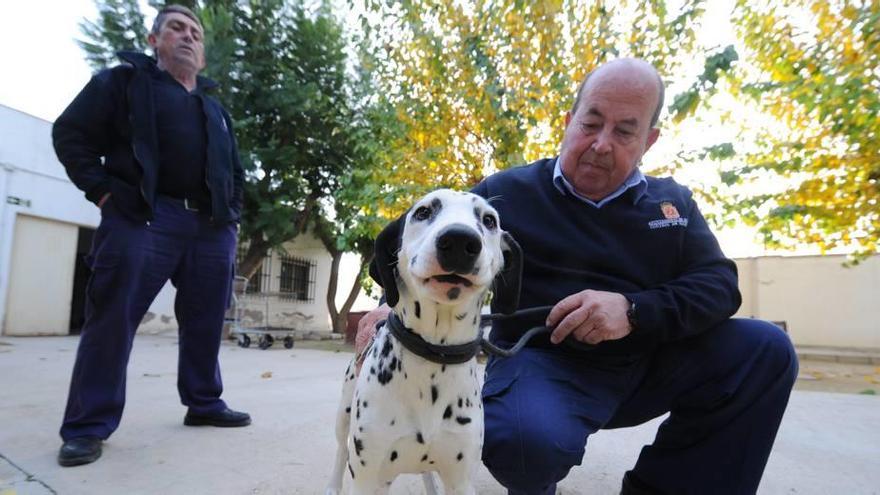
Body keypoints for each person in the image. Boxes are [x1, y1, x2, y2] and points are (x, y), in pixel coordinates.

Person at [356, 58, 798, 494]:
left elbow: (719, 284)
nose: (602, 144)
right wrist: (385, 306)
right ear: (568, 121)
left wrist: (634, 310)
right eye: (590, 123)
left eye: (625, 131)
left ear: (649, 140)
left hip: (651, 362)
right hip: (544, 364)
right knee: (524, 442)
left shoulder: (673, 205)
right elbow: (425, 241)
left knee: (765, 350)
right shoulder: (502, 195)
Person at [52, 5, 249, 467]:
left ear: (202, 55)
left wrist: (232, 218)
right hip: (143, 216)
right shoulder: (122, 84)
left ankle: (203, 403)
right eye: (175, 28)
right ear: (154, 39)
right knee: (113, 316)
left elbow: (235, 173)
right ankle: (86, 425)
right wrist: (101, 192)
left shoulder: (215, 110)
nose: (187, 36)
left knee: (205, 319)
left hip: (210, 227)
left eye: (194, 32)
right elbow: (70, 133)